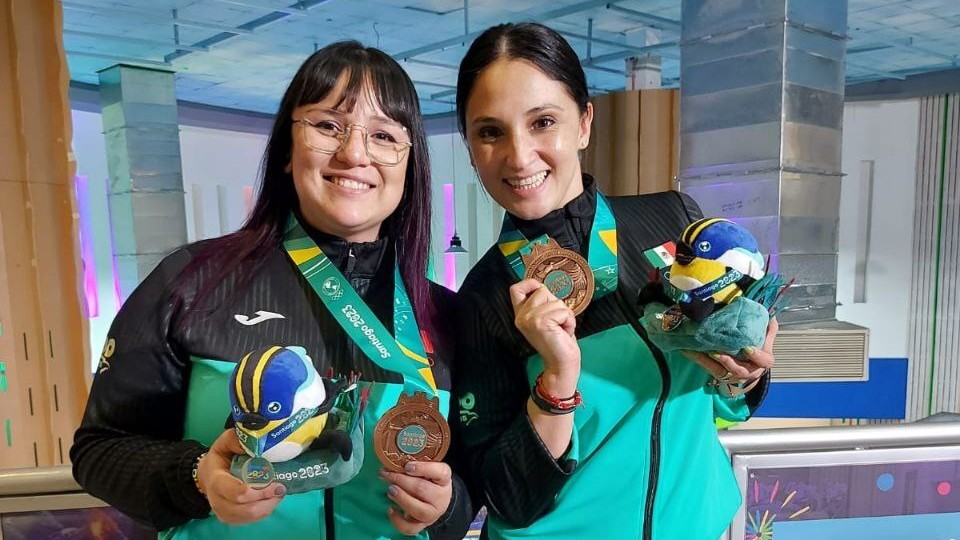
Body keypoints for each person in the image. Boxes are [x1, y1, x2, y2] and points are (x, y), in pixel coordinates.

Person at [71, 41, 472, 539]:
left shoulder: (446, 314)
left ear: (409, 165)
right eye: (328, 125)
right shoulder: (194, 282)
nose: (354, 153)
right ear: (287, 148)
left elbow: (472, 478)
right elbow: (99, 448)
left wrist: (448, 505)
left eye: (384, 136)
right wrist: (196, 478)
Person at [453, 23, 777, 539]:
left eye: (542, 122)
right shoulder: (483, 297)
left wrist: (742, 375)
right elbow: (506, 498)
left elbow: (718, 401)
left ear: (584, 123)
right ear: (471, 147)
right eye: (490, 132)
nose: (518, 156)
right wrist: (556, 380)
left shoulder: (673, 220)